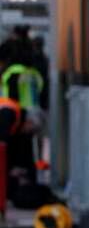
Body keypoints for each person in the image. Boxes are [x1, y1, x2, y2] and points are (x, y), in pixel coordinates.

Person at [0, 39, 45, 204]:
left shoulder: (12, 73)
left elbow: (12, 101)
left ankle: (16, 190)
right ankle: (28, 186)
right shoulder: (31, 71)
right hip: (34, 116)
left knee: (14, 155)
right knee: (28, 156)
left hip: (19, 118)